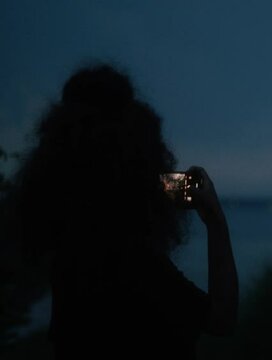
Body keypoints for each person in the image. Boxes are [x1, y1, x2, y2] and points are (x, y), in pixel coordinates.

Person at [13, 64, 238, 359]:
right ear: (141, 161)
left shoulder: (68, 257)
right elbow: (221, 320)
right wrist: (215, 220)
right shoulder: (134, 265)